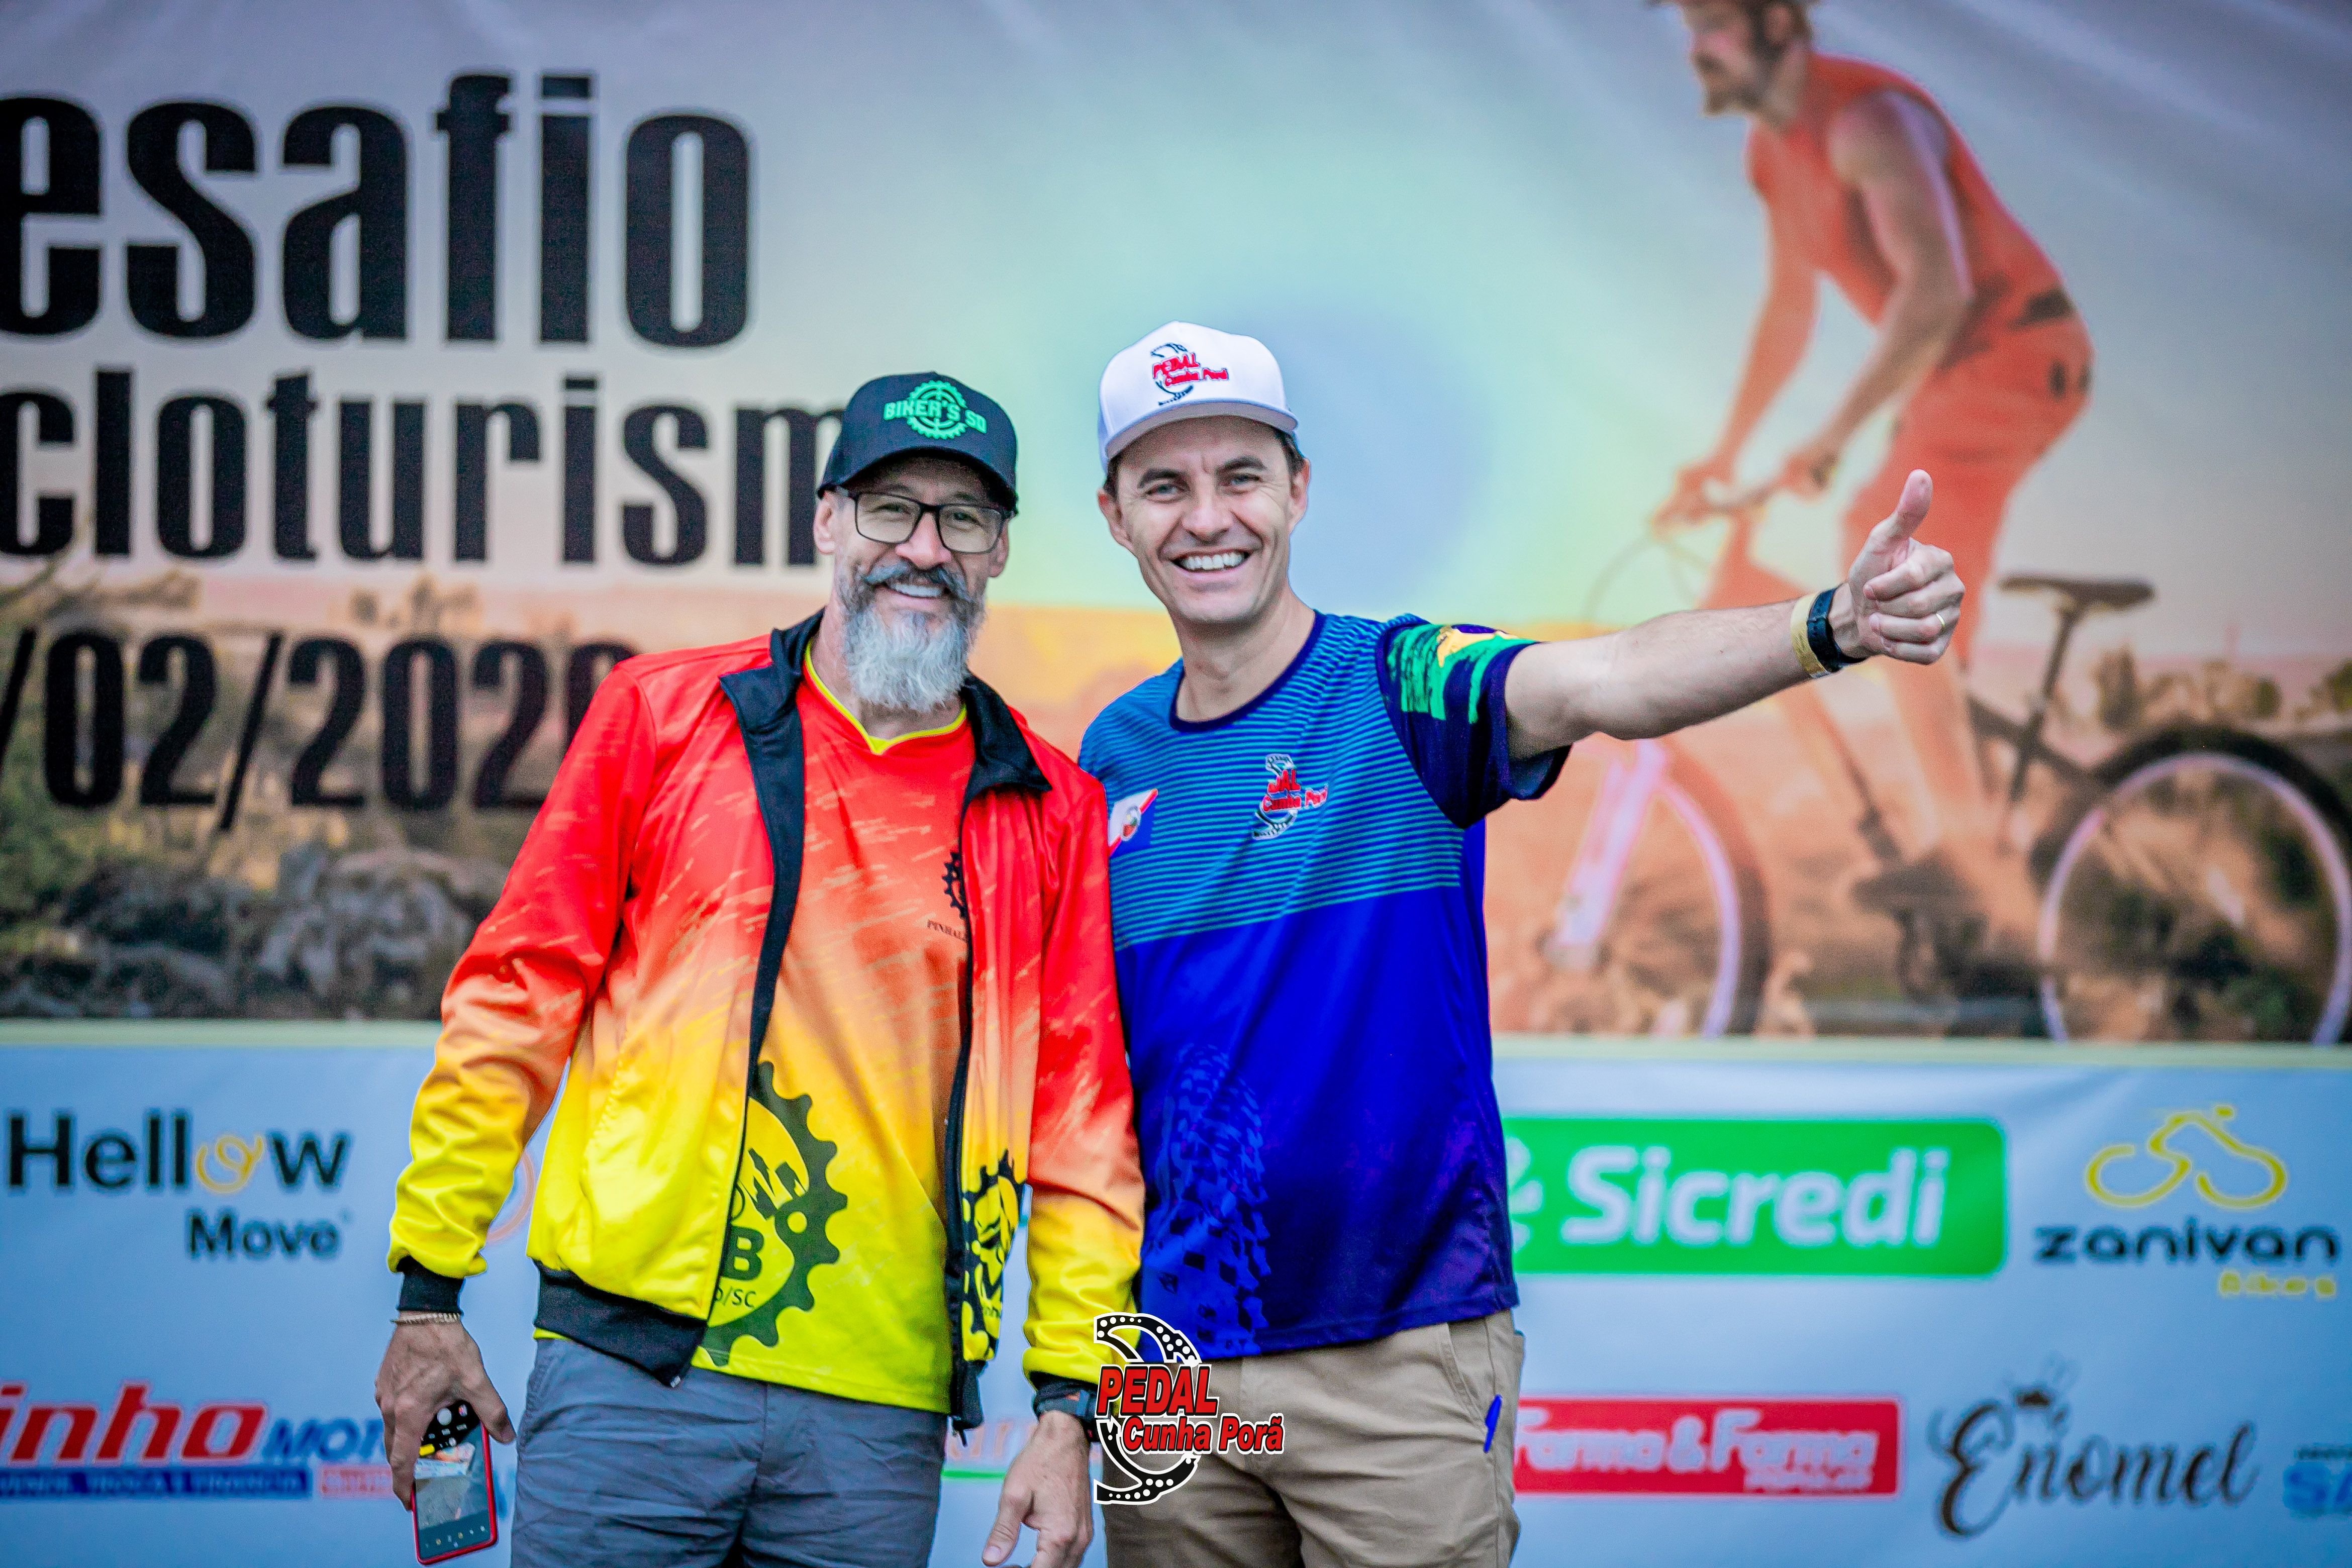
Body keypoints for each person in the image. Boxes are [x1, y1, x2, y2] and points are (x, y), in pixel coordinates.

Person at [1077, 322, 1960, 1565]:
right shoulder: (1109, 758)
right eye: (1165, 485)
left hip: (1396, 1354)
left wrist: (1829, 625)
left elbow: (1608, 679)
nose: (1207, 517)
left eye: (1242, 476)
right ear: (1115, 516)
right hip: (1167, 1366)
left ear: (1299, 491)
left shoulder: (1399, 684)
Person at [373, 371, 1143, 1568]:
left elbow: (1083, 1128)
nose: (924, 549)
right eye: (890, 508)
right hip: (630, 1376)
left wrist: (1070, 1402)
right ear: (828, 519)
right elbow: (516, 999)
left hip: (877, 1419)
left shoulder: (1050, 806)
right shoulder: (664, 716)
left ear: (998, 552)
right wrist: (429, 1290)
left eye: (963, 518)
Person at [1652, 0, 2091, 916]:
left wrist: (1830, 440)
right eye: (1690, 30)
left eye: (1714, 25)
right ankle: (1996, 883)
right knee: (1925, 619)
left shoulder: (1866, 122)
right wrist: (1724, 456)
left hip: (2013, 351)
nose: (1696, 50)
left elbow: (1937, 293)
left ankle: (1970, 863)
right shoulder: (1772, 152)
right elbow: (1788, 313)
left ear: (1778, 22)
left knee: (1884, 554)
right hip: (1951, 377)